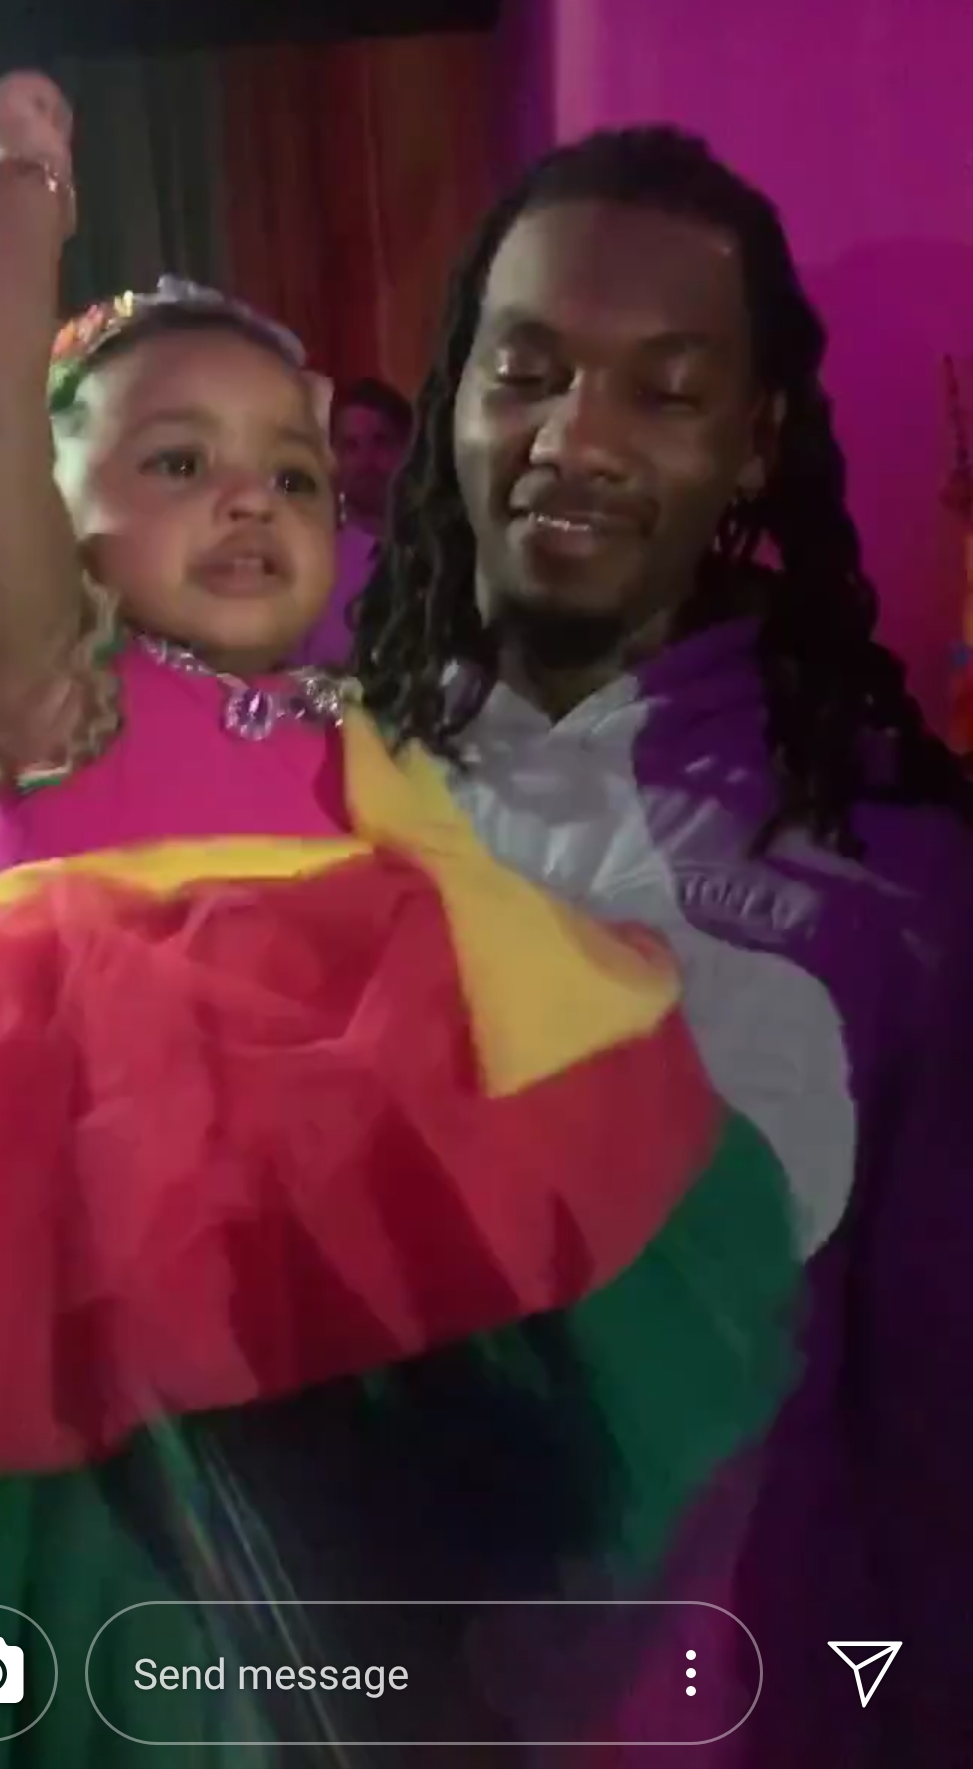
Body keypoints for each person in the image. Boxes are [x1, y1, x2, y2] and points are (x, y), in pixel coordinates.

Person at [0, 80, 798, 1759]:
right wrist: (22, 181)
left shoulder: (344, 714)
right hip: (113, 1182)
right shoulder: (59, 698)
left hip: (345, 1245)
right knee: (154, 1613)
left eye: (295, 475)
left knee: (375, 1590)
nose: (252, 500)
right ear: (49, 524)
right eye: (179, 462)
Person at [354, 126, 973, 1765]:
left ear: (755, 444)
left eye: (668, 391)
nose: (577, 439)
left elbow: (941, 1435)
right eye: (527, 373)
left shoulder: (896, 880)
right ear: (457, 397)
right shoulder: (299, 787)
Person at [300, 376, 411, 665]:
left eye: (380, 441)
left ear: (407, 449)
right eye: (350, 446)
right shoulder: (310, 568)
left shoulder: (442, 557)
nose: (366, 460)